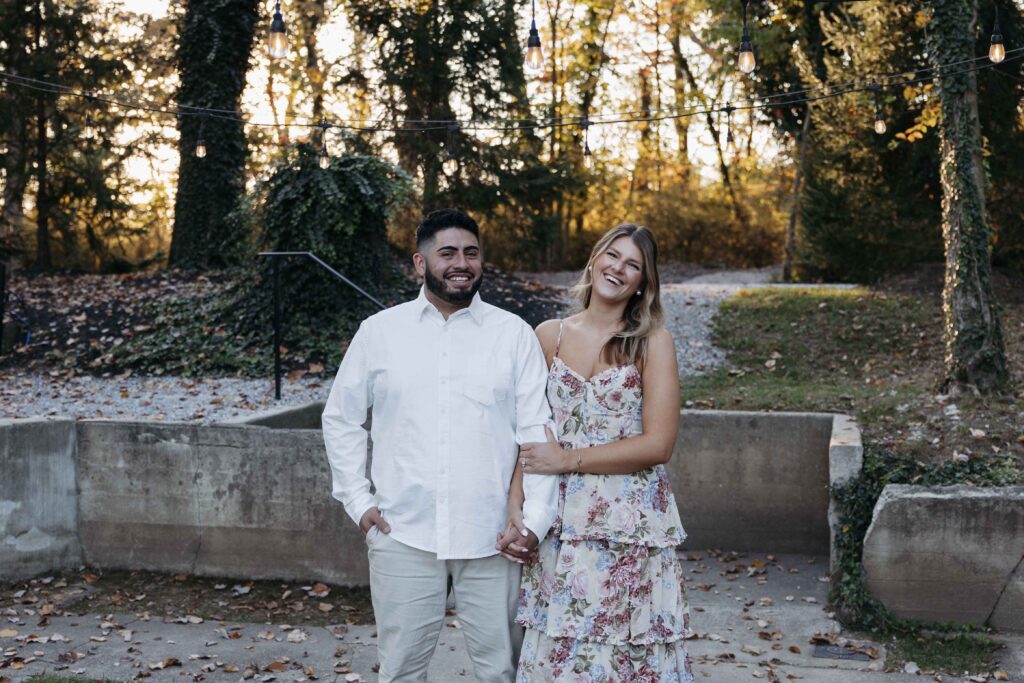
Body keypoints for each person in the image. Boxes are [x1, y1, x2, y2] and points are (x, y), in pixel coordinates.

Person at [322, 208, 559, 682]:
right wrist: (357, 500)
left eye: (471, 253)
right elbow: (342, 418)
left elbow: (538, 433)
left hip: (495, 540)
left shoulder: (512, 334)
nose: (461, 263)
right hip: (402, 535)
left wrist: (533, 521)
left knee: (503, 672)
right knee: (401, 671)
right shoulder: (379, 333)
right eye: (447, 252)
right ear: (419, 262)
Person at [507, 224, 693, 682]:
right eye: (613, 256)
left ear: (643, 283)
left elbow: (659, 444)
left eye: (633, 265)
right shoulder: (548, 336)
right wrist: (516, 506)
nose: (619, 269)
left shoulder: (653, 343)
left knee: (626, 654)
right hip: (561, 522)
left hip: (629, 525)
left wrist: (568, 459)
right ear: (594, 260)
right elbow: (528, 432)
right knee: (561, 650)